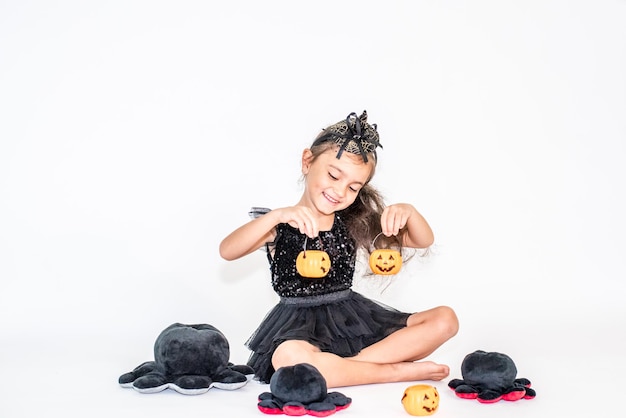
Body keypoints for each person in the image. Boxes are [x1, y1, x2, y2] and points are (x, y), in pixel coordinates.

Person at [219, 111, 458, 388]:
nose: (340, 191)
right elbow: (228, 250)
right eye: (333, 175)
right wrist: (274, 217)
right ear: (307, 161)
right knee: (290, 357)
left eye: (353, 187)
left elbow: (422, 240)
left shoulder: (353, 222)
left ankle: (346, 369)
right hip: (300, 328)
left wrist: (410, 212)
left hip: (353, 322)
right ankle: (394, 371)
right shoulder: (280, 225)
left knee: (445, 320)